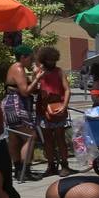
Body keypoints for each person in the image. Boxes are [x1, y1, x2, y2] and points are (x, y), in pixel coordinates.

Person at [2, 44, 41, 182]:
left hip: (11, 104)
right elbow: (25, 91)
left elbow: (28, 88)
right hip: (16, 105)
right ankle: (25, 169)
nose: (31, 61)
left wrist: (34, 77)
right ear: (23, 57)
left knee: (14, 137)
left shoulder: (16, 68)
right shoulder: (18, 68)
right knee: (30, 136)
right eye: (30, 58)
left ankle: (19, 170)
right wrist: (37, 77)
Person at [35, 46, 74, 178]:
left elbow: (67, 90)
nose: (51, 62)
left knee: (60, 138)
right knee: (47, 140)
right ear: (44, 59)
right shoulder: (39, 71)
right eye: (49, 60)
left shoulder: (59, 71)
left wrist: (64, 105)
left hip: (57, 107)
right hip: (43, 109)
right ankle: (51, 165)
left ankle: (64, 164)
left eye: (53, 60)